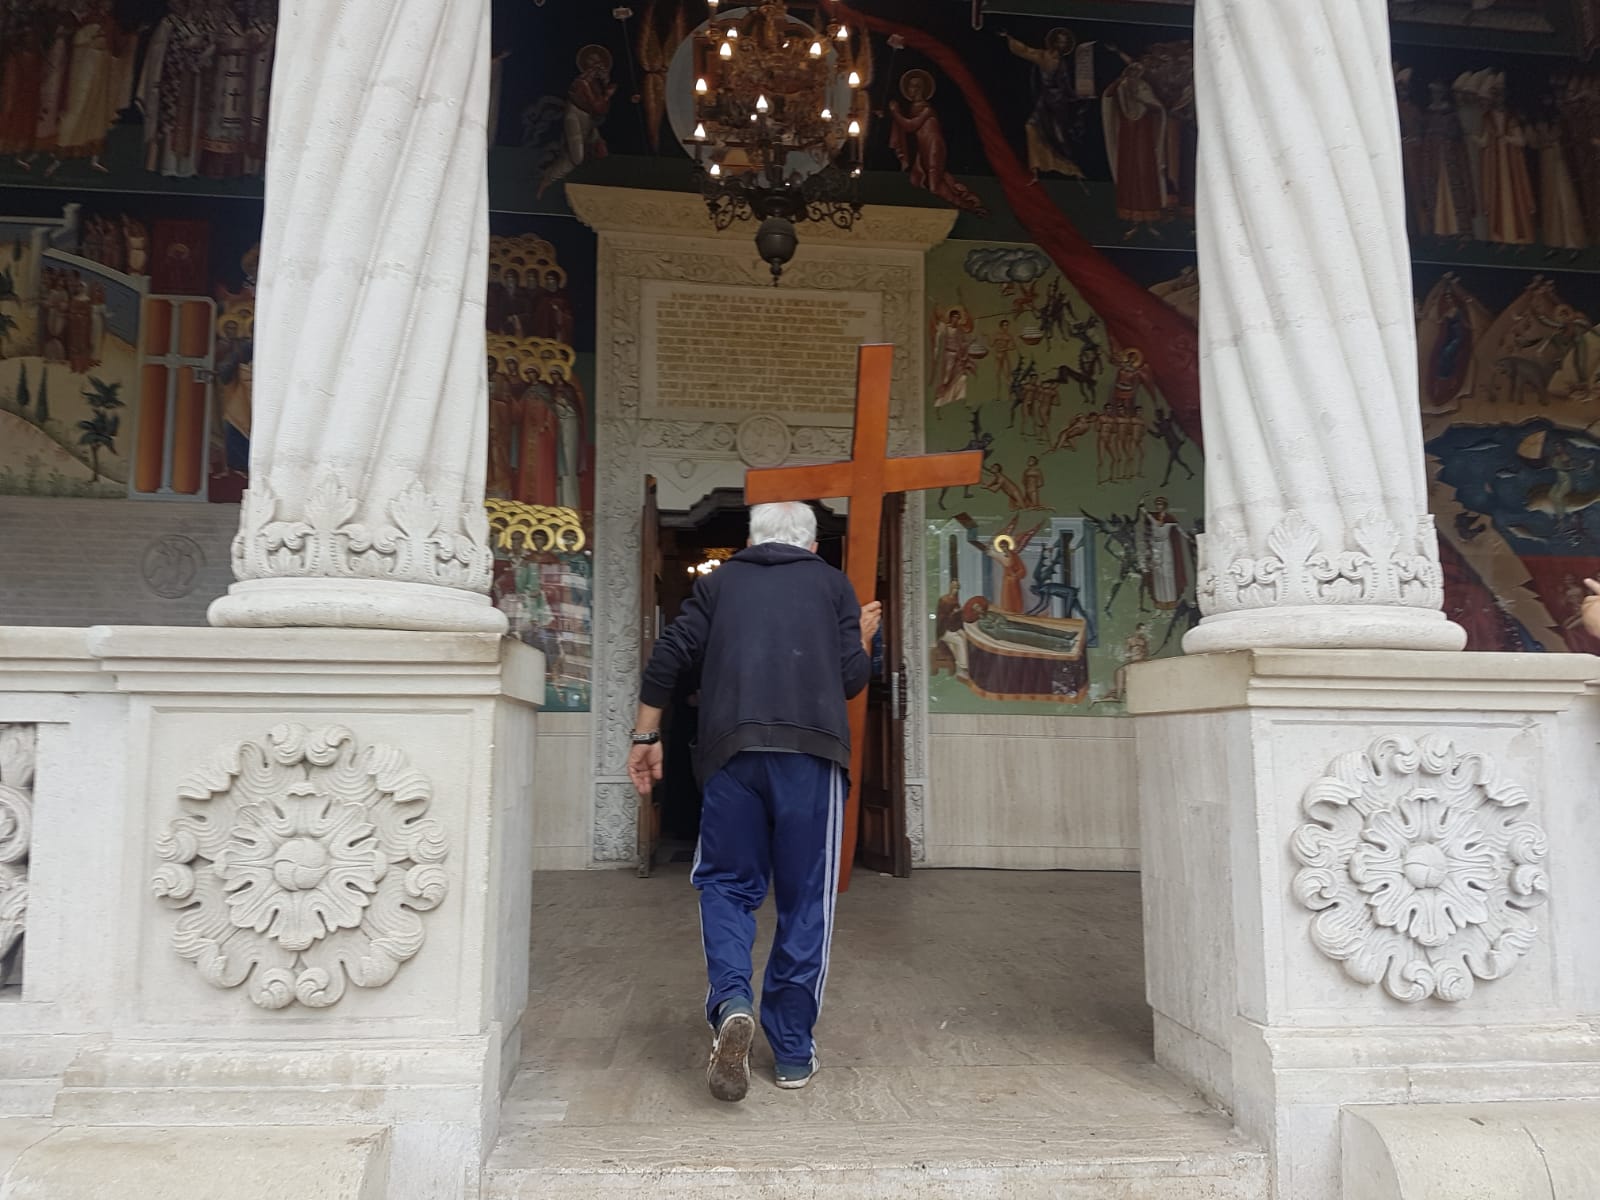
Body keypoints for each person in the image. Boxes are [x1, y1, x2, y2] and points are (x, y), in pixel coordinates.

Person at [627, 502, 882, 1103]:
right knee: (804, 900)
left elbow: (669, 653)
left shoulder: (720, 583)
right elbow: (851, 679)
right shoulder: (832, 585)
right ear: (812, 547)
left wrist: (645, 735)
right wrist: (862, 639)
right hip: (812, 759)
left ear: (750, 540)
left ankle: (732, 1003)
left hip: (732, 753)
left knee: (726, 886)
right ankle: (791, 1053)